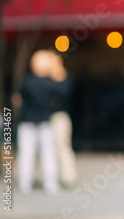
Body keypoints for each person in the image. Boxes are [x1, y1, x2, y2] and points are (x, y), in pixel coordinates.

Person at [15, 50, 62, 194]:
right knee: (48, 153)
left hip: (27, 122)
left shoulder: (26, 82)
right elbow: (60, 99)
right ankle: (50, 184)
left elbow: (18, 100)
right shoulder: (51, 83)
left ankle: (25, 184)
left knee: (26, 153)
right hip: (45, 122)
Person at [49, 52, 77, 188]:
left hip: (60, 116)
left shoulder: (64, 78)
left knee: (62, 145)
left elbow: (63, 95)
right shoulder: (45, 78)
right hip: (45, 117)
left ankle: (67, 176)